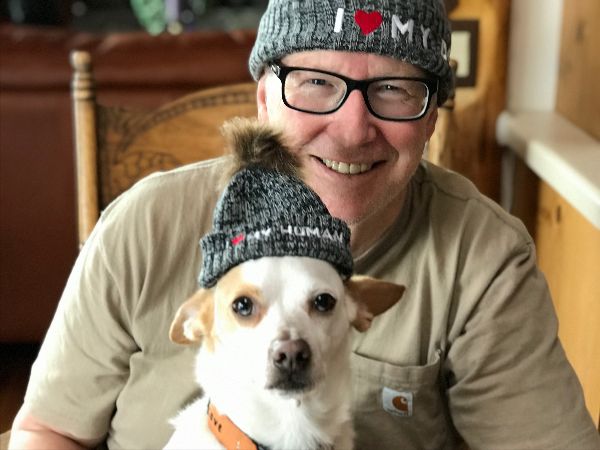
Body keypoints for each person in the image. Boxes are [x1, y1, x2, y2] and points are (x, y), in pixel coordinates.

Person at [9, 0, 600, 449]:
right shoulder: (144, 224)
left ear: (431, 119)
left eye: (393, 90)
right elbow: (47, 429)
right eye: (317, 83)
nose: (351, 129)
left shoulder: (484, 259)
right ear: (264, 99)